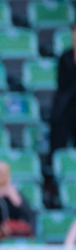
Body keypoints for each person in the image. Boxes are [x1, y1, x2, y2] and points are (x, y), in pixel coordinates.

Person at [49, 23, 76, 157]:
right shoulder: (66, 57)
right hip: (66, 106)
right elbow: (63, 85)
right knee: (59, 123)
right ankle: (53, 163)